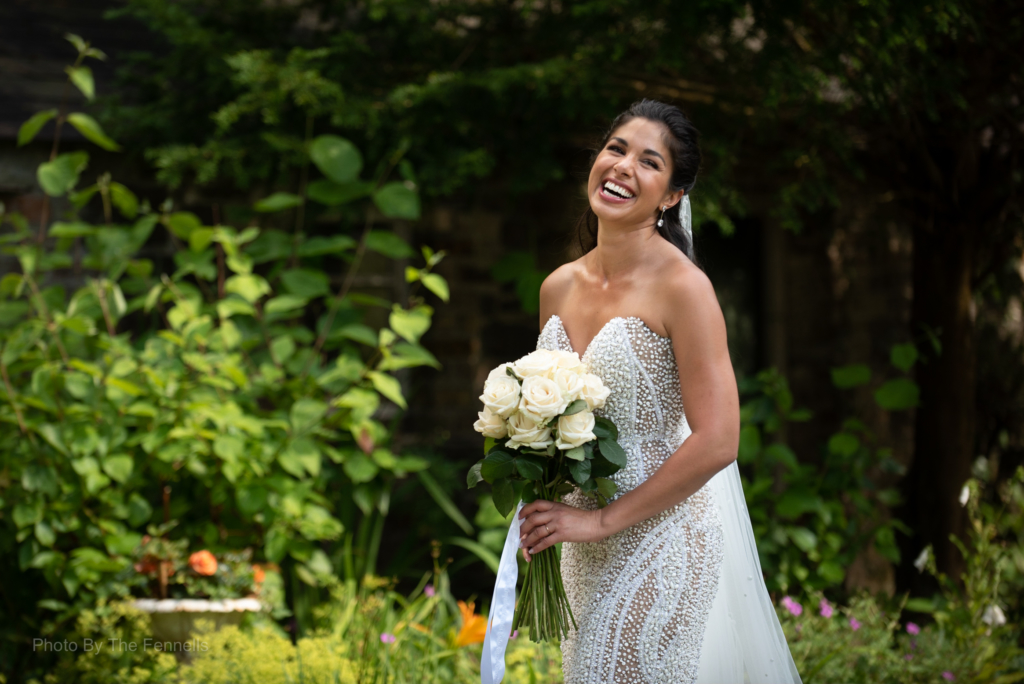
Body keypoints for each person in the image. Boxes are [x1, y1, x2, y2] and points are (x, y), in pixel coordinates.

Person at [516, 100, 802, 684]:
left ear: (672, 195)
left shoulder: (685, 289)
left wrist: (602, 521)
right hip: (579, 543)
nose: (622, 166)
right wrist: (539, 493)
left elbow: (719, 438)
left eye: (649, 162)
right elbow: (555, 420)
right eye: (616, 149)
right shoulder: (557, 286)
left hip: (661, 538)